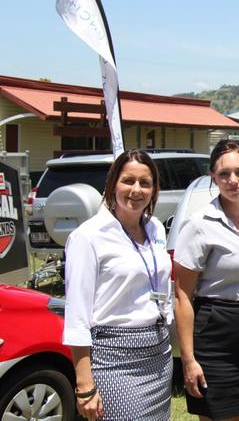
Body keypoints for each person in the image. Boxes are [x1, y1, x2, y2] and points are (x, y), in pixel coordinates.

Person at [63, 149, 173, 421]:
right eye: (128, 181)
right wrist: (84, 384)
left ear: (154, 189)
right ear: (113, 184)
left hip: (159, 353)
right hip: (114, 359)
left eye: (145, 183)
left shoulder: (156, 228)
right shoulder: (88, 237)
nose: (136, 190)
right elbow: (77, 315)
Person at [174, 140, 239, 421]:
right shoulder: (199, 224)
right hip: (217, 339)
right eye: (224, 174)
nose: (233, 181)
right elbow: (182, 294)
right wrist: (188, 360)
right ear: (213, 177)